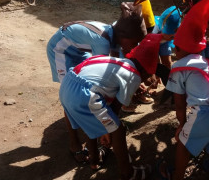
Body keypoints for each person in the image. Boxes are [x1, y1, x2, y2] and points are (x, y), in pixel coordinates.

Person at [46, 2, 147, 162]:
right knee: (71, 86)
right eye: (133, 43)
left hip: (78, 50)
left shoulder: (116, 32)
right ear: (124, 37)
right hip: (61, 50)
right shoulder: (103, 42)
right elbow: (104, 70)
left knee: (91, 86)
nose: (133, 47)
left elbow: (119, 63)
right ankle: (75, 143)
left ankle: (93, 128)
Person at [59, 34, 163, 179]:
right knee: (117, 129)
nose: (147, 80)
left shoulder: (115, 61)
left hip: (67, 86)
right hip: (85, 95)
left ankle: (94, 159)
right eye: (149, 76)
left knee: (91, 121)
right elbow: (116, 108)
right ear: (146, 70)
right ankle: (128, 172)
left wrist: (104, 127)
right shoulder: (133, 75)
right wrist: (108, 130)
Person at [160, 0, 209, 180]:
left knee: (183, 143)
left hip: (205, 114)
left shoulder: (179, 67)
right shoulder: (207, 63)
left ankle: (177, 175)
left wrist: (181, 125)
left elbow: (179, 104)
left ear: (177, 49)